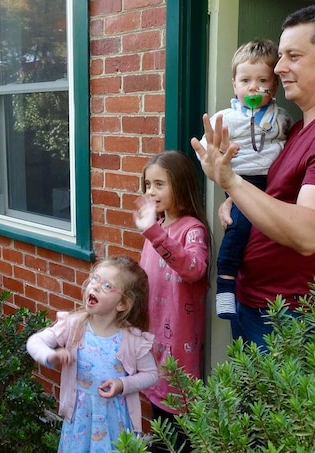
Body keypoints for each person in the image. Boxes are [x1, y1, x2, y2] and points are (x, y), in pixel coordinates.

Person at [191, 4, 315, 347]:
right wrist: (238, 197)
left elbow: (308, 232)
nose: (279, 68)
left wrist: (230, 180)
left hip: (287, 315)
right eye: (280, 56)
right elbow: (278, 192)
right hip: (260, 303)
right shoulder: (299, 128)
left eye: (293, 55)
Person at [195, 38, 292, 338]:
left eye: (262, 81)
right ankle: (225, 284)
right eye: (246, 80)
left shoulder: (282, 119)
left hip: (271, 182)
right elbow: (210, 151)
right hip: (242, 181)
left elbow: (288, 145)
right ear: (234, 84)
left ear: (274, 87)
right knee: (237, 229)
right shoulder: (227, 118)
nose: (253, 88)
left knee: (261, 232)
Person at [26, 256, 157, 453]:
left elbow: (151, 374)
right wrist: (50, 355)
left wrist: (123, 384)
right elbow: (35, 342)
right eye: (94, 279)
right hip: (80, 421)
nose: (94, 287)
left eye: (106, 285)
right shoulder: (73, 325)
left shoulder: (133, 339)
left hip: (116, 424)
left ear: (122, 304)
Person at [133, 150, 209, 453]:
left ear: (181, 184)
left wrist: (152, 231)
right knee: (157, 411)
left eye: (159, 184)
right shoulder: (158, 227)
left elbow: (194, 268)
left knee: (177, 419)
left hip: (179, 344)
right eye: (148, 185)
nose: (151, 192)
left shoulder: (192, 229)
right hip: (153, 339)